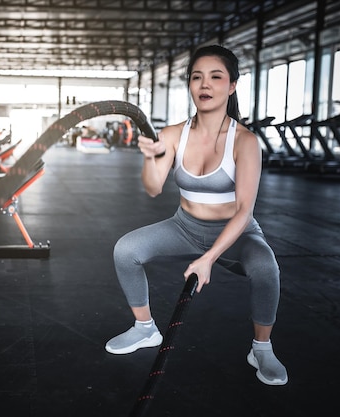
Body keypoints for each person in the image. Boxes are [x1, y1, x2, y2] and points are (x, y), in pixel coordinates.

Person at [105, 44, 288, 386]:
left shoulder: (245, 141)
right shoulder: (174, 134)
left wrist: (210, 258)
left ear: (231, 85)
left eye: (216, 77)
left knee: (266, 269)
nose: (204, 84)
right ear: (189, 85)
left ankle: (261, 348)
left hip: (237, 232)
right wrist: (151, 156)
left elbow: (245, 210)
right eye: (196, 77)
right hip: (184, 227)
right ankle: (145, 329)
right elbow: (154, 188)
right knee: (126, 250)